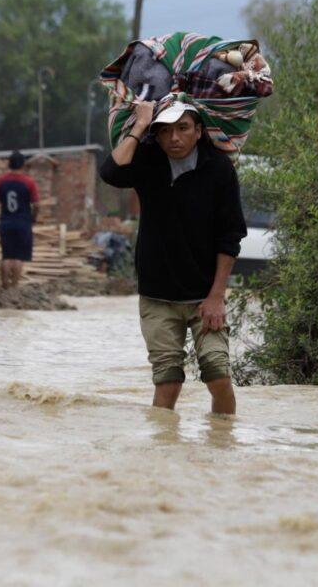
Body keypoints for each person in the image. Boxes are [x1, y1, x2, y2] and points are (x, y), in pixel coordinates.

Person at [99, 99, 247, 415]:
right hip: (157, 296)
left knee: (218, 374)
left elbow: (230, 237)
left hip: (204, 296)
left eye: (182, 128)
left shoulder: (218, 169)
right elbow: (111, 172)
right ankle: (163, 456)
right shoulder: (149, 162)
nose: (174, 138)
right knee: (167, 381)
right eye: (165, 131)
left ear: (198, 131)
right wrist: (140, 125)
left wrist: (217, 297)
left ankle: (223, 446)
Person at [0, 150, 40, 288]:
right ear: (23, 165)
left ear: (9, 164)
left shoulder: (1, 181)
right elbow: (36, 204)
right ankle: (15, 287)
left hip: (6, 223)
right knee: (18, 256)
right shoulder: (29, 182)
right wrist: (33, 219)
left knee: (6, 256)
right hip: (23, 223)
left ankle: (5, 286)